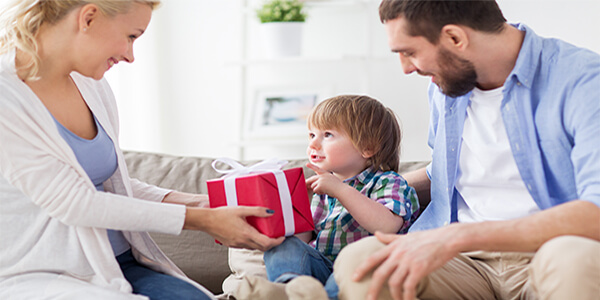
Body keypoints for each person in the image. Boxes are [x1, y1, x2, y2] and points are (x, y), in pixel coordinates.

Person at [0, 1, 283, 299]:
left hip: (119, 262)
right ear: (89, 18)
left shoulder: (91, 85)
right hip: (46, 273)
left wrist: (201, 203)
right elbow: (76, 203)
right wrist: (203, 221)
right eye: (131, 36)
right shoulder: (7, 101)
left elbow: (113, 186)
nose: (130, 55)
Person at [332, 1, 600, 300]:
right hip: (464, 262)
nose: (406, 68)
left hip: (548, 253)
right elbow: (443, 176)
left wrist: (456, 237)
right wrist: (344, 192)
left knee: (576, 258)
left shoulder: (584, 81)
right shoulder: (448, 85)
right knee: (364, 261)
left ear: (455, 38)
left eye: (409, 52)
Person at [235, 95, 419, 300]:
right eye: (311, 135)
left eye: (328, 135)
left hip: (359, 267)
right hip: (320, 266)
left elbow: (386, 226)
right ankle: (289, 288)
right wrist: (296, 209)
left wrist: (340, 190)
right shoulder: (321, 186)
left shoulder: (389, 182)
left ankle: (319, 296)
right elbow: (303, 241)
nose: (313, 143)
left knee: (354, 268)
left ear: (368, 148)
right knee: (286, 244)